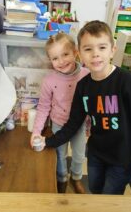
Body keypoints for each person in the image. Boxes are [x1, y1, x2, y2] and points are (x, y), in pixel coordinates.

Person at [31, 20, 131, 194]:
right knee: (95, 190)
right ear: (80, 53)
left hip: (122, 158)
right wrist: (48, 141)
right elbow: (73, 123)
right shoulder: (83, 86)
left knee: (109, 198)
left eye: (102, 48)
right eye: (88, 49)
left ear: (113, 50)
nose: (95, 54)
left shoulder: (129, 81)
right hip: (96, 154)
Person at [31, 32, 90, 193]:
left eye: (65, 54)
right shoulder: (49, 81)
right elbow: (43, 107)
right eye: (55, 58)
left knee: (79, 157)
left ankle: (75, 179)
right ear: (50, 60)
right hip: (58, 124)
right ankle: (62, 179)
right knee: (60, 157)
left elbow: (90, 102)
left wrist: (90, 125)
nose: (61, 61)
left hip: (79, 126)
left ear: (75, 52)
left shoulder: (87, 75)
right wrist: (36, 132)